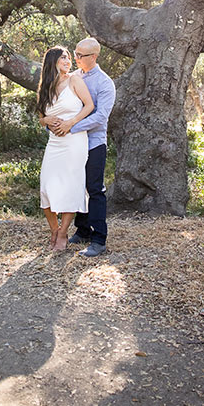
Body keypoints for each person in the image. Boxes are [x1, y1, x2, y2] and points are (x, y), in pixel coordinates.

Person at [49, 37, 115, 258]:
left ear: (93, 57)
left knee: (94, 189)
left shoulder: (105, 83)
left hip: (94, 143)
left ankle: (99, 239)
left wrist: (72, 126)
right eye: (74, 54)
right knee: (77, 186)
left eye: (80, 55)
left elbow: (100, 116)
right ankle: (83, 230)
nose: (75, 58)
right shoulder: (73, 77)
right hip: (71, 143)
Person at [37, 46, 94, 253]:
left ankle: (63, 233)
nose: (68, 60)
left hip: (74, 142)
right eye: (63, 57)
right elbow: (41, 118)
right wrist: (46, 120)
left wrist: (71, 122)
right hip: (54, 143)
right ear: (52, 61)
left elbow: (89, 106)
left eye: (69, 57)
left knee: (71, 187)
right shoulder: (46, 86)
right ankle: (54, 229)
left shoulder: (74, 80)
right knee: (46, 187)